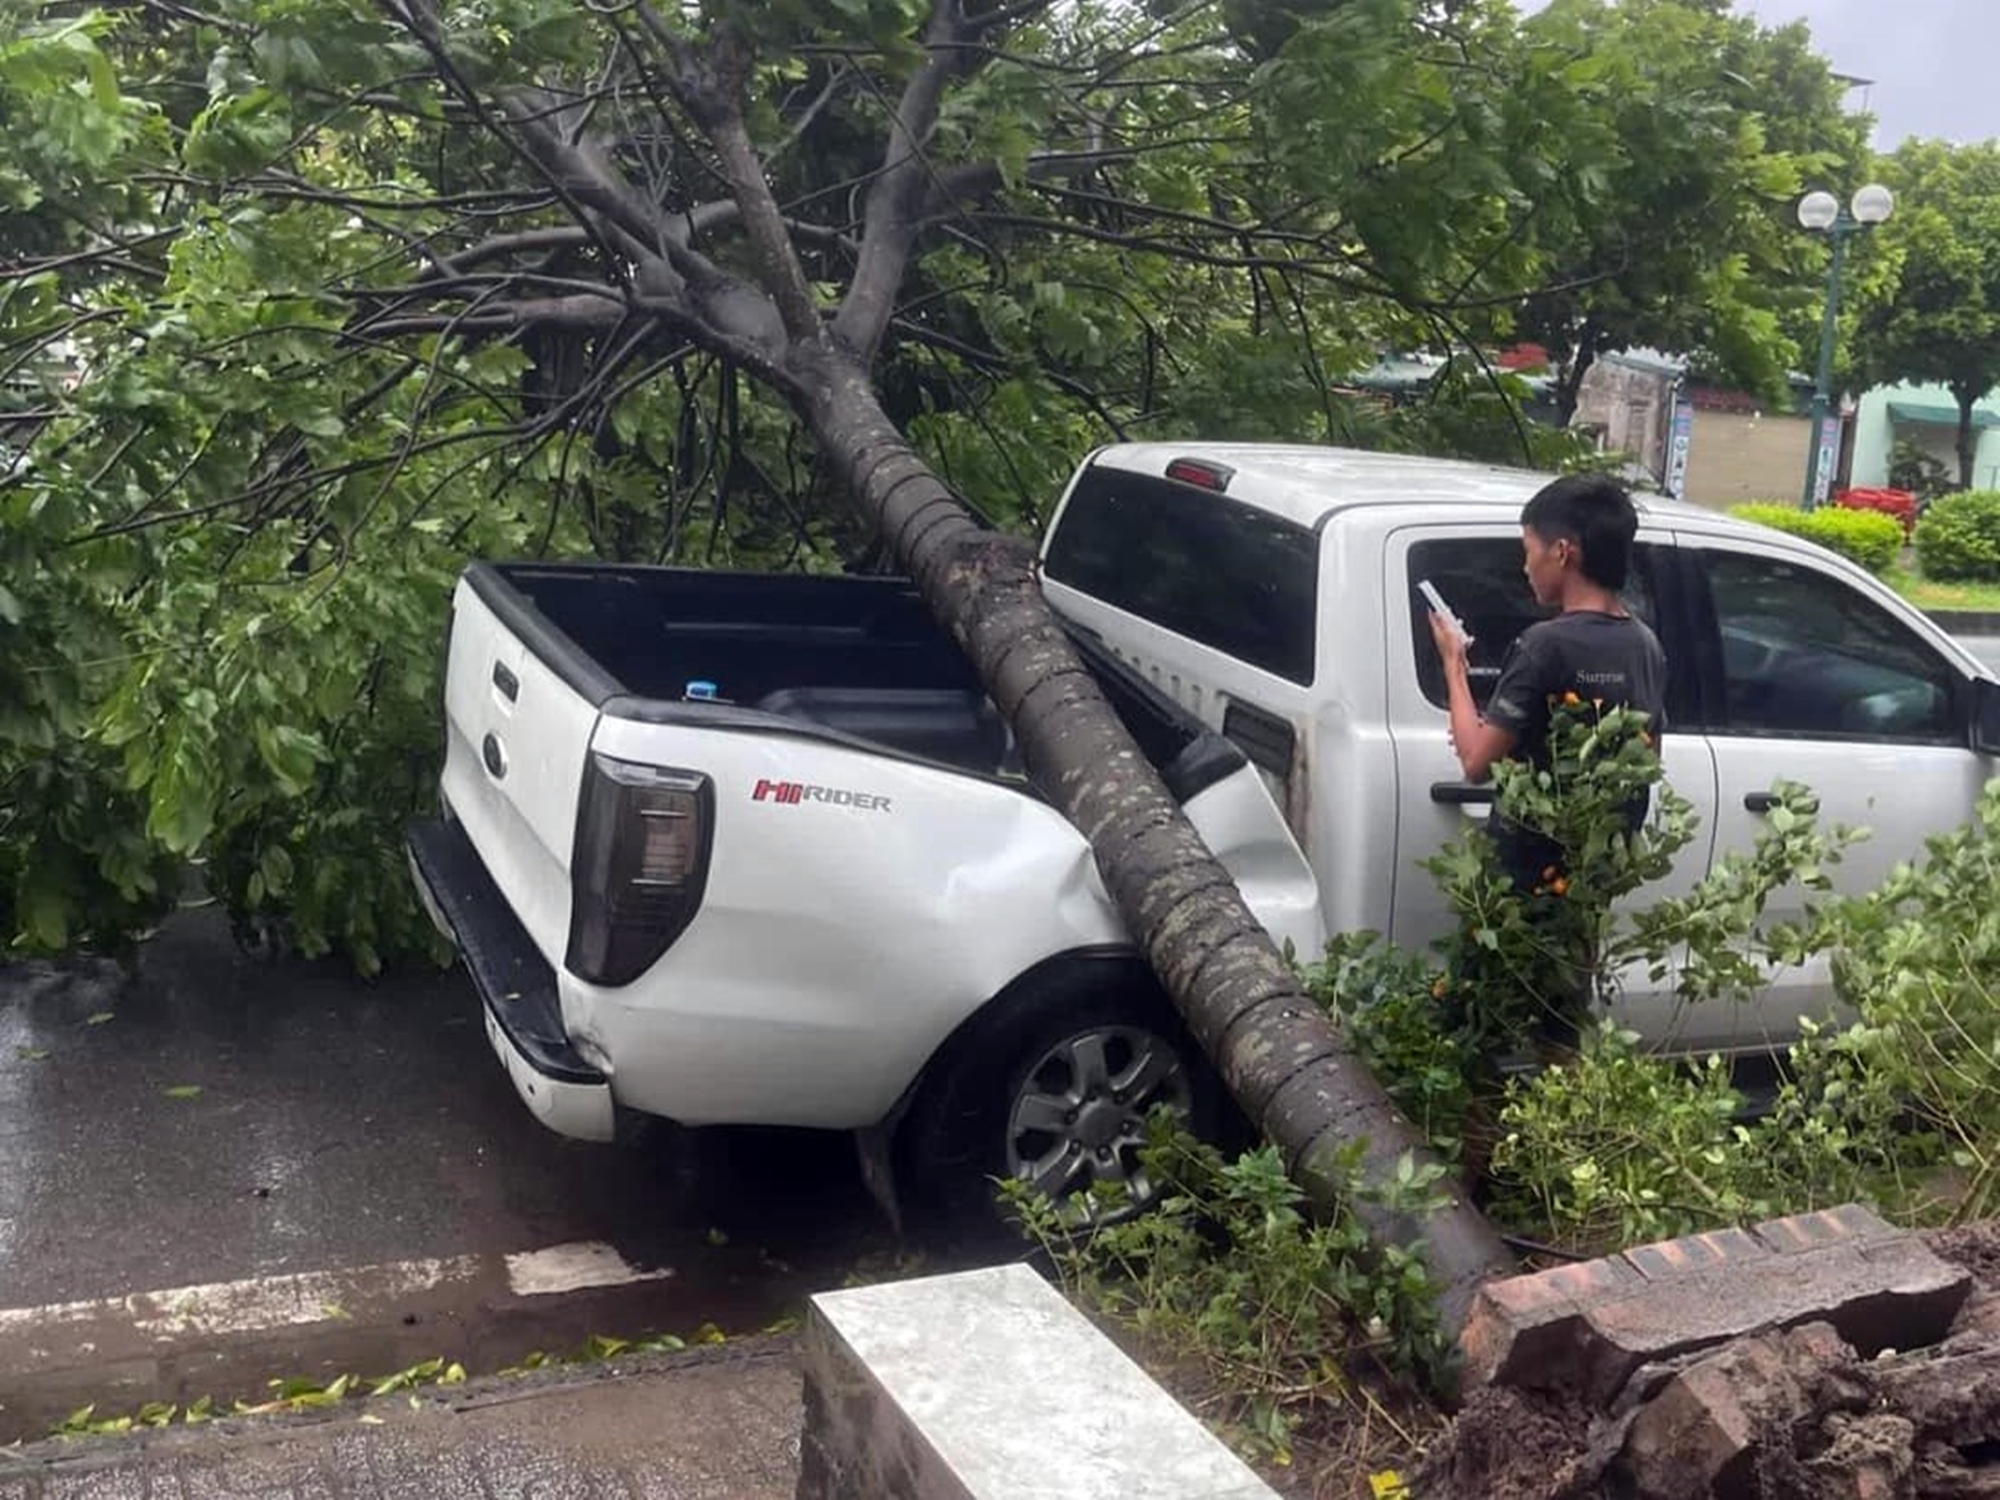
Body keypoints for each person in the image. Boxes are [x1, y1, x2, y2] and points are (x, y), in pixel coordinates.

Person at [1426, 473, 1667, 896]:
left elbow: (1476, 765)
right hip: (1587, 884)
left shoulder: (1545, 645)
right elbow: (1645, 765)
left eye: (1528, 550)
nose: (1525, 566)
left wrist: (1453, 665)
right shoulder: (1646, 645)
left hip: (1523, 890)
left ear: (1561, 551)